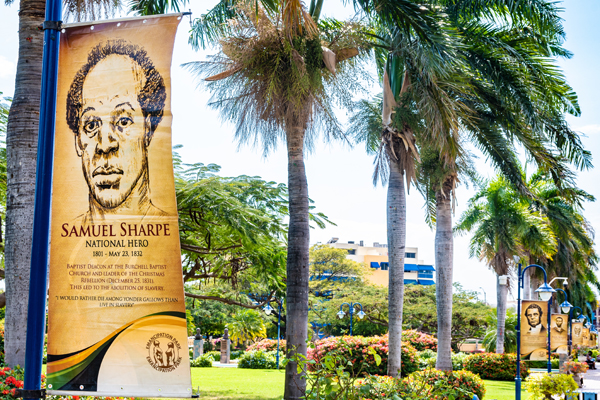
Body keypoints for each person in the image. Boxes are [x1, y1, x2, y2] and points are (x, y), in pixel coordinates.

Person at [66, 39, 169, 223]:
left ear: (148, 130)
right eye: (91, 126)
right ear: (78, 142)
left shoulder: (166, 233)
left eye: (123, 121)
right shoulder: (61, 244)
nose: (105, 146)